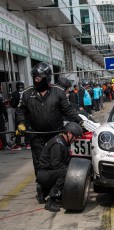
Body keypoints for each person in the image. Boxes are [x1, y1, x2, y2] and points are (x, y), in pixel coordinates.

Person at [15, 62, 83, 204]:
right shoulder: (27, 93)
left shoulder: (58, 92)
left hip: (56, 136)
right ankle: (41, 189)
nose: (36, 80)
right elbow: (20, 110)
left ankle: (55, 191)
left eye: (39, 78)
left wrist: (80, 122)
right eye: (34, 78)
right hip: (37, 136)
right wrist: (21, 123)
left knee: (57, 164)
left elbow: (68, 110)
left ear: (47, 78)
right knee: (40, 165)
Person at [37, 122, 83, 212]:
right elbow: (56, 165)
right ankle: (51, 201)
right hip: (45, 174)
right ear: (69, 133)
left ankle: (43, 190)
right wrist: (71, 171)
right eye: (76, 136)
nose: (76, 139)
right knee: (67, 173)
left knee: (68, 171)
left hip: (48, 173)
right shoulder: (58, 144)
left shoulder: (63, 142)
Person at [10, 81, 31, 150]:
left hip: (19, 113)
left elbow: (12, 104)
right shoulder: (27, 93)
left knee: (18, 127)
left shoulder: (14, 94)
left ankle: (18, 144)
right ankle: (28, 143)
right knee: (27, 127)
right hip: (27, 113)